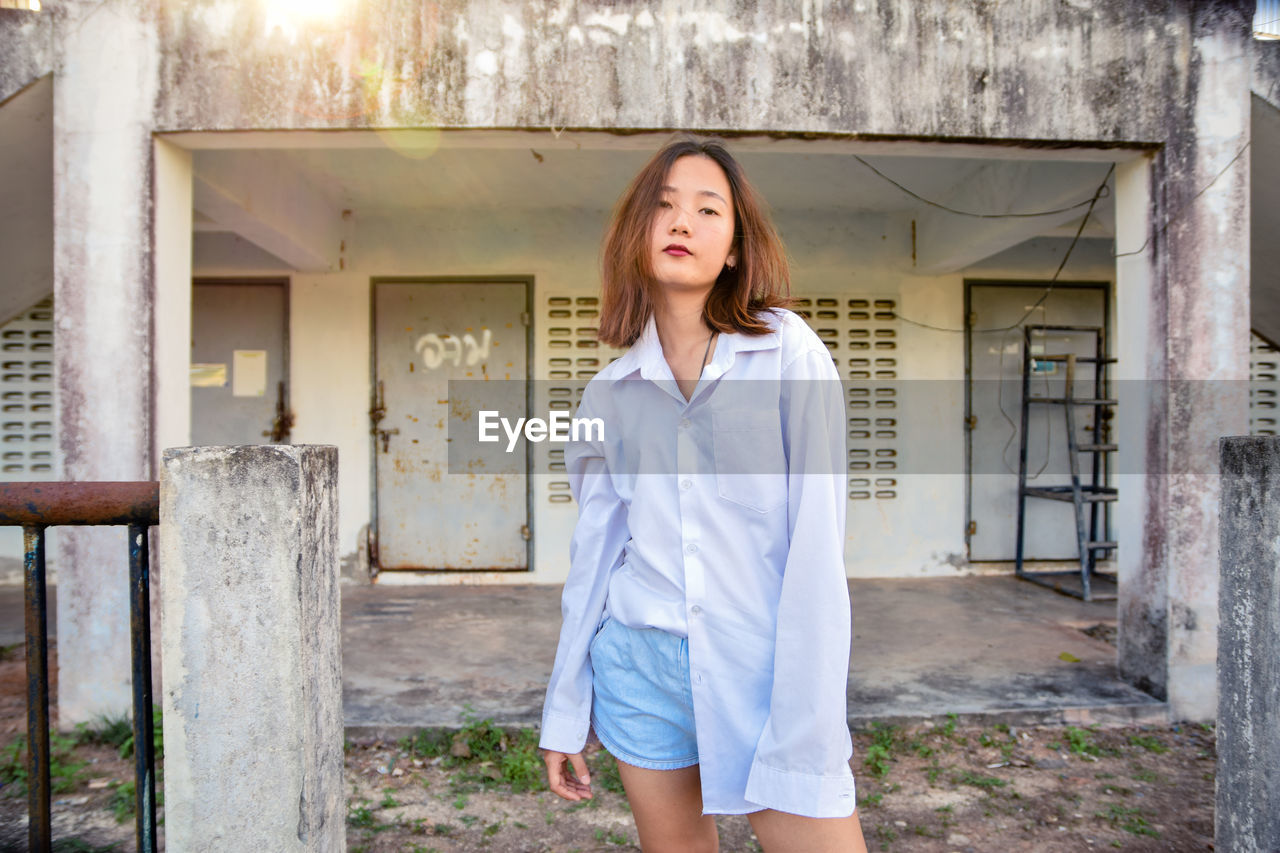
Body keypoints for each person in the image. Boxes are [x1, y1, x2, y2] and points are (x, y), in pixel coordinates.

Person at [539, 135, 868, 853]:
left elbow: (817, 550)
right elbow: (596, 554)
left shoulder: (788, 353)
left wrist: (809, 721)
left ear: (734, 249)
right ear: (637, 235)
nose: (682, 222)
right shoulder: (610, 393)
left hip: (761, 665)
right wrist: (564, 709)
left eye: (707, 209)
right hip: (637, 667)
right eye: (664, 207)